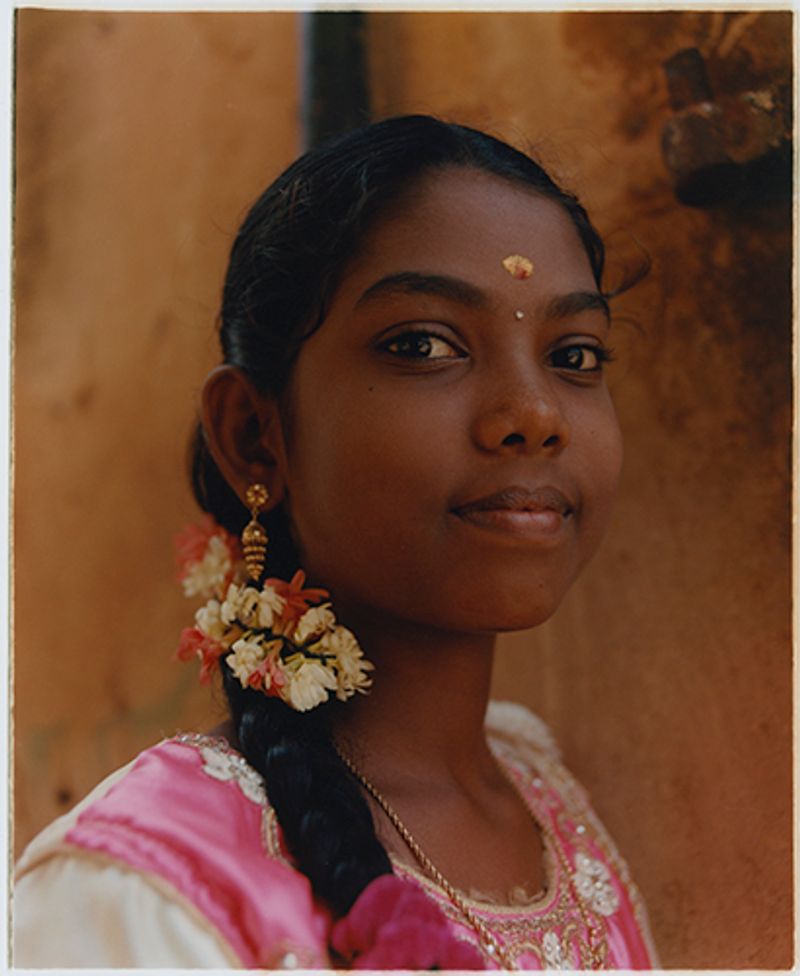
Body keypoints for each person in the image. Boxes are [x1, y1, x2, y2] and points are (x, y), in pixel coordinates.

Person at [14, 115, 659, 969]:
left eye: (575, 355)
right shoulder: (140, 885)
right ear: (255, 436)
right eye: (423, 344)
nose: (536, 415)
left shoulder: (544, 795)